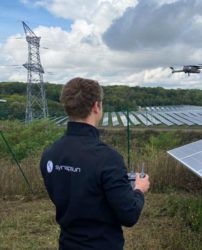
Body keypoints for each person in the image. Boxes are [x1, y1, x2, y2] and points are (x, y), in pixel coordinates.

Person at [40, 77, 150, 249]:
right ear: (96, 106)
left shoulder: (50, 154)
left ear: (68, 106)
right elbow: (129, 215)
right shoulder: (108, 159)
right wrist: (139, 189)